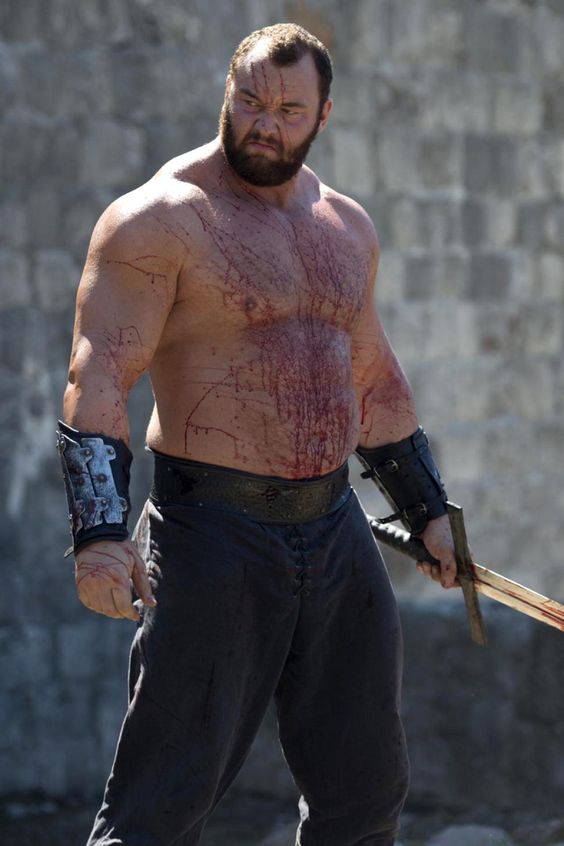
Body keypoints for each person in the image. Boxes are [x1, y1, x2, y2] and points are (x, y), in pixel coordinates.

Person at [58, 23, 458, 846]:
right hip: (213, 538)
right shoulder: (160, 220)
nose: (264, 125)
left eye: (288, 110)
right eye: (249, 102)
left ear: (324, 115)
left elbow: (374, 378)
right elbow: (98, 375)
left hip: (336, 532)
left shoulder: (345, 225)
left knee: (365, 797)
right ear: (227, 93)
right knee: (158, 809)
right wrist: (98, 536)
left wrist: (429, 511)